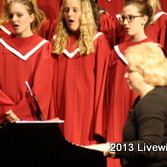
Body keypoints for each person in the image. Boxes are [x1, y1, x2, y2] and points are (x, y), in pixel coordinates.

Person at [86, 42, 167, 167]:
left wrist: (109, 148)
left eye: (130, 71)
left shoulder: (153, 103)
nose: (125, 75)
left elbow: (148, 147)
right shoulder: (152, 97)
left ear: (145, 73)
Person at [94, 1, 157, 167]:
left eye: (131, 18)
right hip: (117, 113)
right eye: (124, 18)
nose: (126, 22)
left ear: (144, 19)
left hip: (142, 113)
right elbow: (106, 89)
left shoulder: (154, 50)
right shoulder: (116, 51)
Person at [51, 0, 110, 145]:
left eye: (75, 10)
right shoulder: (56, 43)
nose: (69, 14)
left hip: (87, 115)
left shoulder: (98, 41)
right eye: (66, 10)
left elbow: (103, 86)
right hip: (61, 111)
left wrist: (99, 122)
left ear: (85, 13)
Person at [0, 0, 55, 123]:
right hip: (4, 118)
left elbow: (41, 89)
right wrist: (7, 111)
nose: (14, 20)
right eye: (11, 15)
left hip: (29, 120)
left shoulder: (43, 47)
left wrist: (19, 113)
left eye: (19, 15)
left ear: (31, 17)